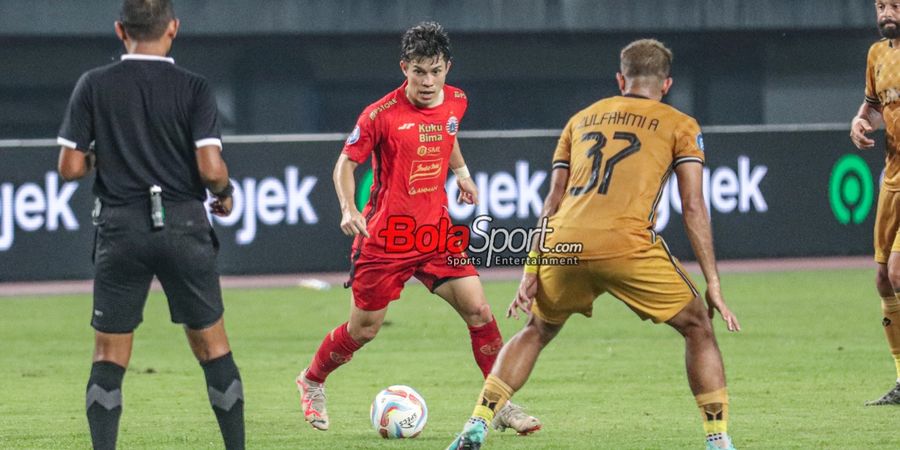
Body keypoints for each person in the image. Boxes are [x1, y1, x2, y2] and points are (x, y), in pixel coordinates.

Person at [447, 39, 742, 450]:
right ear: (667, 83)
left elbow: (551, 201)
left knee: (537, 329)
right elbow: (693, 205)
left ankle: (476, 425)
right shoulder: (681, 124)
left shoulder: (580, 120)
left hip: (563, 242)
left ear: (621, 79)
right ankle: (718, 440)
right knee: (697, 326)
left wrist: (531, 269)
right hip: (626, 245)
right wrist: (713, 282)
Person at [294, 21, 540, 435]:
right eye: (419, 72)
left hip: (435, 236)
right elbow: (345, 164)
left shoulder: (457, 100)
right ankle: (312, 380)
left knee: (480, 311)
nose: (428, 82)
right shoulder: (380, 115)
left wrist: (461, 172)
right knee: (364, 329)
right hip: (385, 241)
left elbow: (449, 133)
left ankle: (499, 405)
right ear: (404, 68)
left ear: (447, 67)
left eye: (436, 71)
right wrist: (347, 208)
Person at [56, 1, 244, 448]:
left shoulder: (94, 85)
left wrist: (105, 156)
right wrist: (224, 193)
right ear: (173, 29)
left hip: (121, 229)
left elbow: (69, 166)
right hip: (183, 225)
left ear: (121, 30)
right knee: (214, 349)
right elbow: (212, 167)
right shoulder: (194, 88)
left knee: (108, 356)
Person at [850, 0, 900, 407]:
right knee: (882, 278)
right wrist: (859, 120)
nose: (886, 12)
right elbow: (872, 104)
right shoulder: (876, 54)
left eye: (895, 5)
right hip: (892, 175)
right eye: (881, 5)